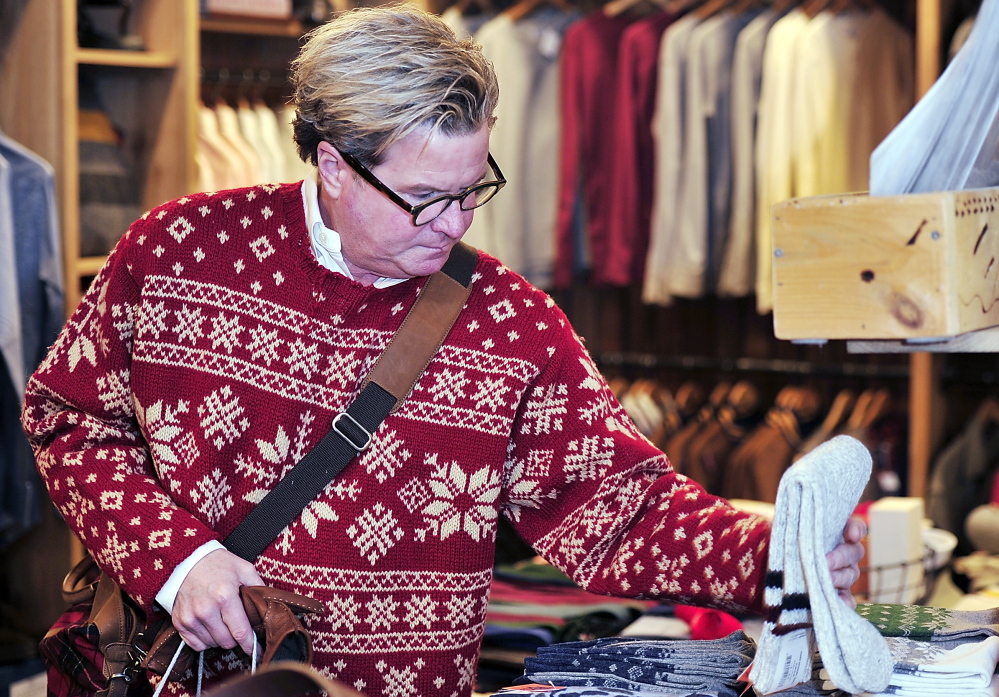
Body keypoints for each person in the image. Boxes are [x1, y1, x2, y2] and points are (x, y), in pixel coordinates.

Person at [22, 5, 865, 697]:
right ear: (333, 165)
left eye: (472, 189)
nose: (458, 223)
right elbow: (65, 416)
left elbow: (615, 505)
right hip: (175, 676)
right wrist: (178, 561)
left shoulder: (509, 320)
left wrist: (772, 553)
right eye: (426, 197)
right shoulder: (177, 251)